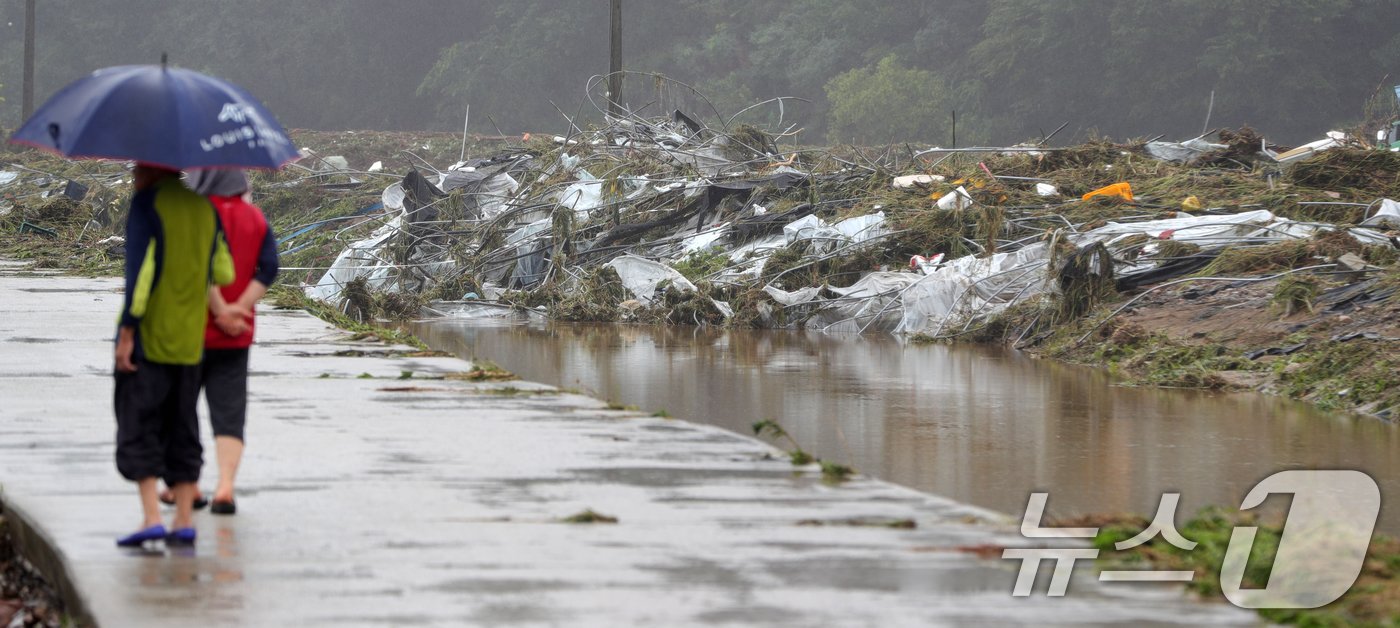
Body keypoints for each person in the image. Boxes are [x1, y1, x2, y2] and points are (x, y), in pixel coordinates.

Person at [114, 164, 234, 547]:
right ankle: (184, 519)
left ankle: (151, 516)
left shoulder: (147, 204)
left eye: (138, 165)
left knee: (140, 420)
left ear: (152, 168)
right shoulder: (204, 207)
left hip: (150, 337)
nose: (134, 172)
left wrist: (127, 331)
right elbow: (224, 271)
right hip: (189, 342)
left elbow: (141, 274)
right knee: (183, 426)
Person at [162, 168, 278, 516]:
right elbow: (269, 268)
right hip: (237, 335)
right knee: (229, 413)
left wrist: (219, 309)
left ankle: (190, 485)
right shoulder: (255, 218)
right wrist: (239, 309)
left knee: (182, 410)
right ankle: (225, 487)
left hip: (191, 332)